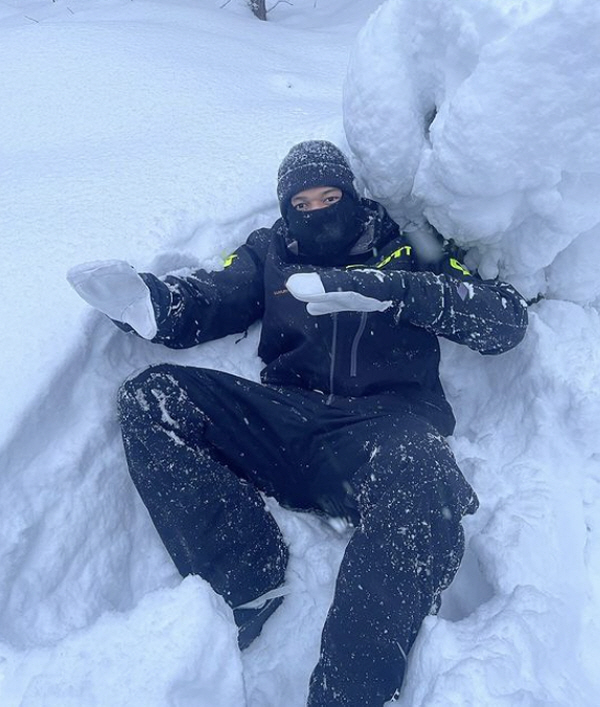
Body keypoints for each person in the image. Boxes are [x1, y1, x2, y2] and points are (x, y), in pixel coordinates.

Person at [67, 140, 528, 707]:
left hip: (385, 431)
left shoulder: (407, 250)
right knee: (153, 398)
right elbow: (213, 298)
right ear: (287, 212)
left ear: (353, 197)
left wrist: (392, 293)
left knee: (423, 474)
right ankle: (247, 577)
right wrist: (152, 305)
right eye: (302, 205)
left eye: (331, 197)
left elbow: (503, 321)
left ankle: (349, 695)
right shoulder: (271, 252)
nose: (318, 213)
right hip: (289, 421)